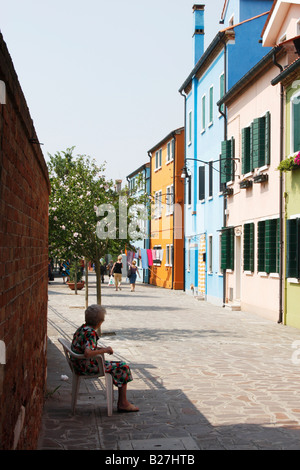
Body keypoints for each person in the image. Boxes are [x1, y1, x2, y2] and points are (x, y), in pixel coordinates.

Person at [71, 304, 139, 413]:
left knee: (116, 365)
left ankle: (122, 401)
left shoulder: (82, 329)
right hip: (87, 367)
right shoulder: (90, 333)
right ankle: (123, 403)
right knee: (123, 367)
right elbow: (88, 352)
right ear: (99, 323)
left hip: (77, 364)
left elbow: (87, 347)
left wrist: (100, 349)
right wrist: (106, 350)